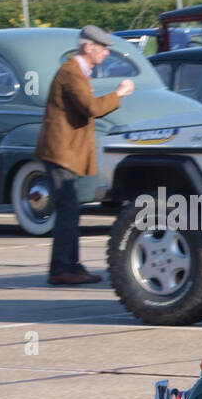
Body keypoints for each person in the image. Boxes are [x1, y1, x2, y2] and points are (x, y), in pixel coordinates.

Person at [36, 25, 133, 285]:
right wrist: (119, 94)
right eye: (102, 49)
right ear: (88, 47)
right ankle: (61, 269)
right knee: (68, 209)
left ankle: (71, 265)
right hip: (59, 153)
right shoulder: (71, 72)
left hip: (64, 152)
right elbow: (90, 107)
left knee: (70, 210)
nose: (105, 54)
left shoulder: (77, 71)